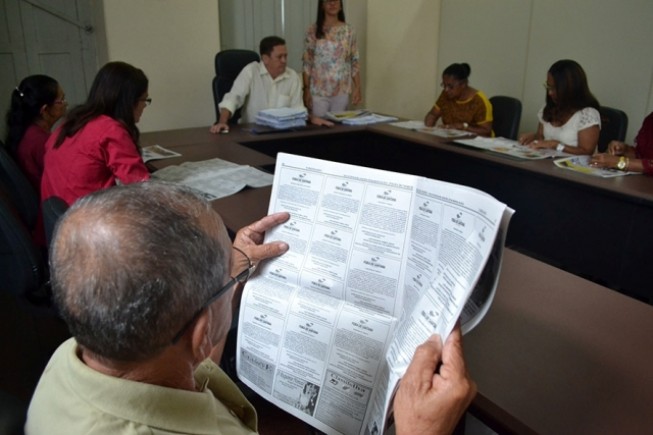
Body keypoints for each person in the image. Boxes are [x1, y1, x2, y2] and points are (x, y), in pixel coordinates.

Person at [25, 181, 476, 434]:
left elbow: (184, 355)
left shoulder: (77, 354)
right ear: (202, 331)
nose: (236, 271)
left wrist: (230, 269)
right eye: (231, 273)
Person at [40, 61, 151, 206]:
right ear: (129, 101)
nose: (145, 106)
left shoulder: (73, 121)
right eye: (144, 100)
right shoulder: (110, 129)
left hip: (58, 214)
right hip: (87, 214)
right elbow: (141, 187)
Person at [210, 36, 332, 134]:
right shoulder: (251, 72)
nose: (284, 61)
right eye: (279, 57)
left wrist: (311, 118)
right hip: (251, 133)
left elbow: (297, 110)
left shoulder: (292, 76)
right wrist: (222, 122)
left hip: (282, 134)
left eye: (285, 56)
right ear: (265, 58)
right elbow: (233, 98)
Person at [518, 59, 600, 155]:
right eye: (548, 87)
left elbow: (587, 152)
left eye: (555, 88)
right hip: (545, 161)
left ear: (571, 88)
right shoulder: (548, 108)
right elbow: (541, 138)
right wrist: (533, 137)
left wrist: (556, 145)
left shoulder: (587, 114)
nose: (550, 93)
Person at [4, 75, 67, 192]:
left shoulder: (27, 132)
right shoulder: (40, 141)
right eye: (61, 100)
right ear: (45, 110)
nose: (65, 104)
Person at [302, 0, 361, 117]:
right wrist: (306, 89)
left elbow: (354, 60)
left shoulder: (349, 30)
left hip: (341, 90)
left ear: (340, 5)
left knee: (339, 126)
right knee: (319, 126)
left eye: (335, 1)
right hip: (318, 90)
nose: (332, 4)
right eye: (328, 1)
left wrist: (358, 87)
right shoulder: (313, 30)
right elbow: (307, 62)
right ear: (322, 5)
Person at [424, 63, 493, 137]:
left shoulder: (479, 100)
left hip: (476, 141)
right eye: (444, 85)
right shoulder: (445, 95)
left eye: (450, 86)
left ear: (463, 84)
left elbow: (486, 131)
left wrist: (463, 127)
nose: (446, 90)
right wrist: (430, 121)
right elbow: (433, 114)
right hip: (450, 138)